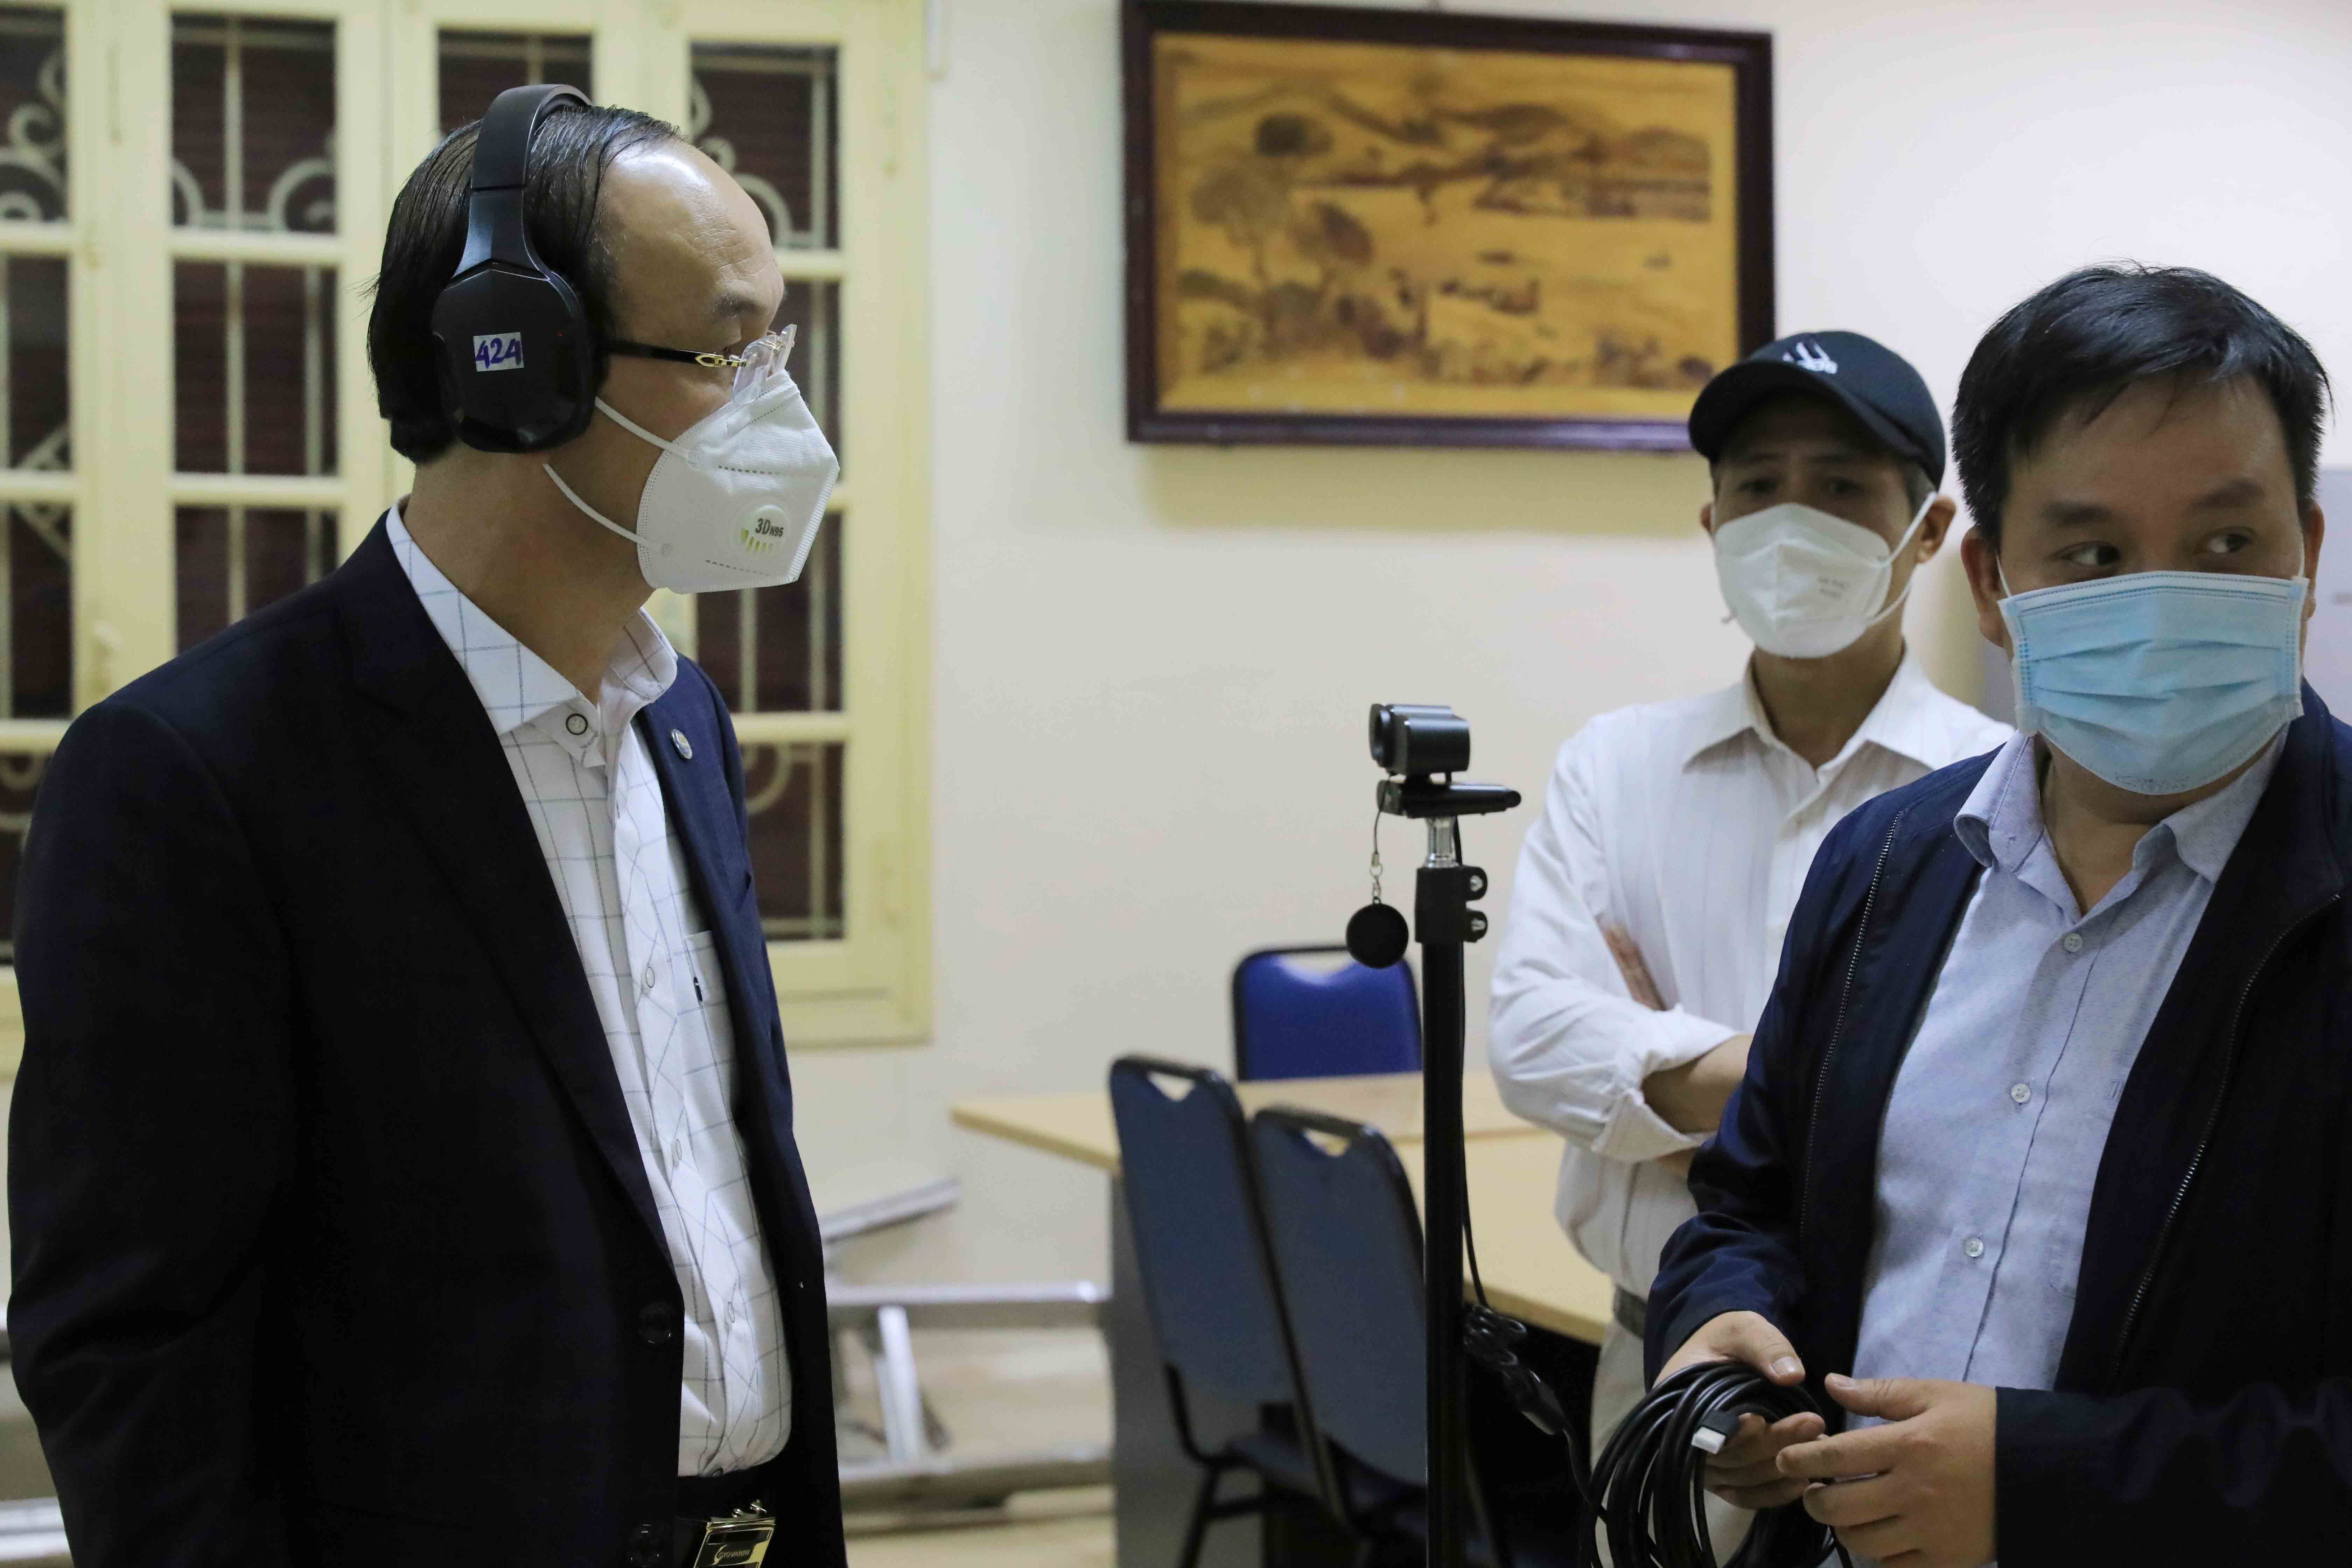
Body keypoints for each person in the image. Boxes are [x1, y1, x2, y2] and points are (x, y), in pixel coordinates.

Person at [7, 90, 846, 1567]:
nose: (779, 414)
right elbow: (130, 1347)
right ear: (519, 366)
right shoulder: (196, 774)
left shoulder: (684, 720)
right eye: (729, 353)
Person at [1648, 264, 2352, 1566]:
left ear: (2306, 555)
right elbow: (1751, 1204)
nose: (2159, 601)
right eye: (2092, 555)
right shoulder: (1882, 868)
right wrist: (1723, 1338)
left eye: (2225, 545)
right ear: (1990, 581)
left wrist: (2048, 1487)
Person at [1488, 331, 2010, 1485]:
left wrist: (1667, 1070)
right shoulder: (1618, 768)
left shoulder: (2003, 789)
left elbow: (1995, 1113)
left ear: (1930, 530)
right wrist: (1832, 1093)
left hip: (1919, 1394)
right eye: (1759, 486)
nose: (1791, 521)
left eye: (1841, 487)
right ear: (1713, 523)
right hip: (1663, 1364)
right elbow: (1532, 1043)